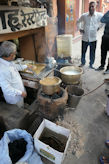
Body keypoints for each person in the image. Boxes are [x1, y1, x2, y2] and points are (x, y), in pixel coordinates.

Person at [0, 41, 27, 108]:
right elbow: (7, 89)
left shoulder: (8, 61)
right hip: (14, 98)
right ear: (11, 55)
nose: (15, 55)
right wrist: (21, 93)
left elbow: (15, 67)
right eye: (14, 54)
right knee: (18, 112)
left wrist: (26, 66)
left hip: (19, 92)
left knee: (22, 107)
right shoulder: (2, 70)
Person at [77, 1, 103, 69]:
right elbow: (78, 21)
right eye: (90, 6)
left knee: (92, 52)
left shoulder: (99, 15)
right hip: (85, 38)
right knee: (83, 51)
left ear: (95, 7)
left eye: (92, 6)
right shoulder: (84, 15)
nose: (91, 8)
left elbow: (104, 21)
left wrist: (99, 27)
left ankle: (91, 64)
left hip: (93, 38)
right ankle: (83, 62)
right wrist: (80, 28)